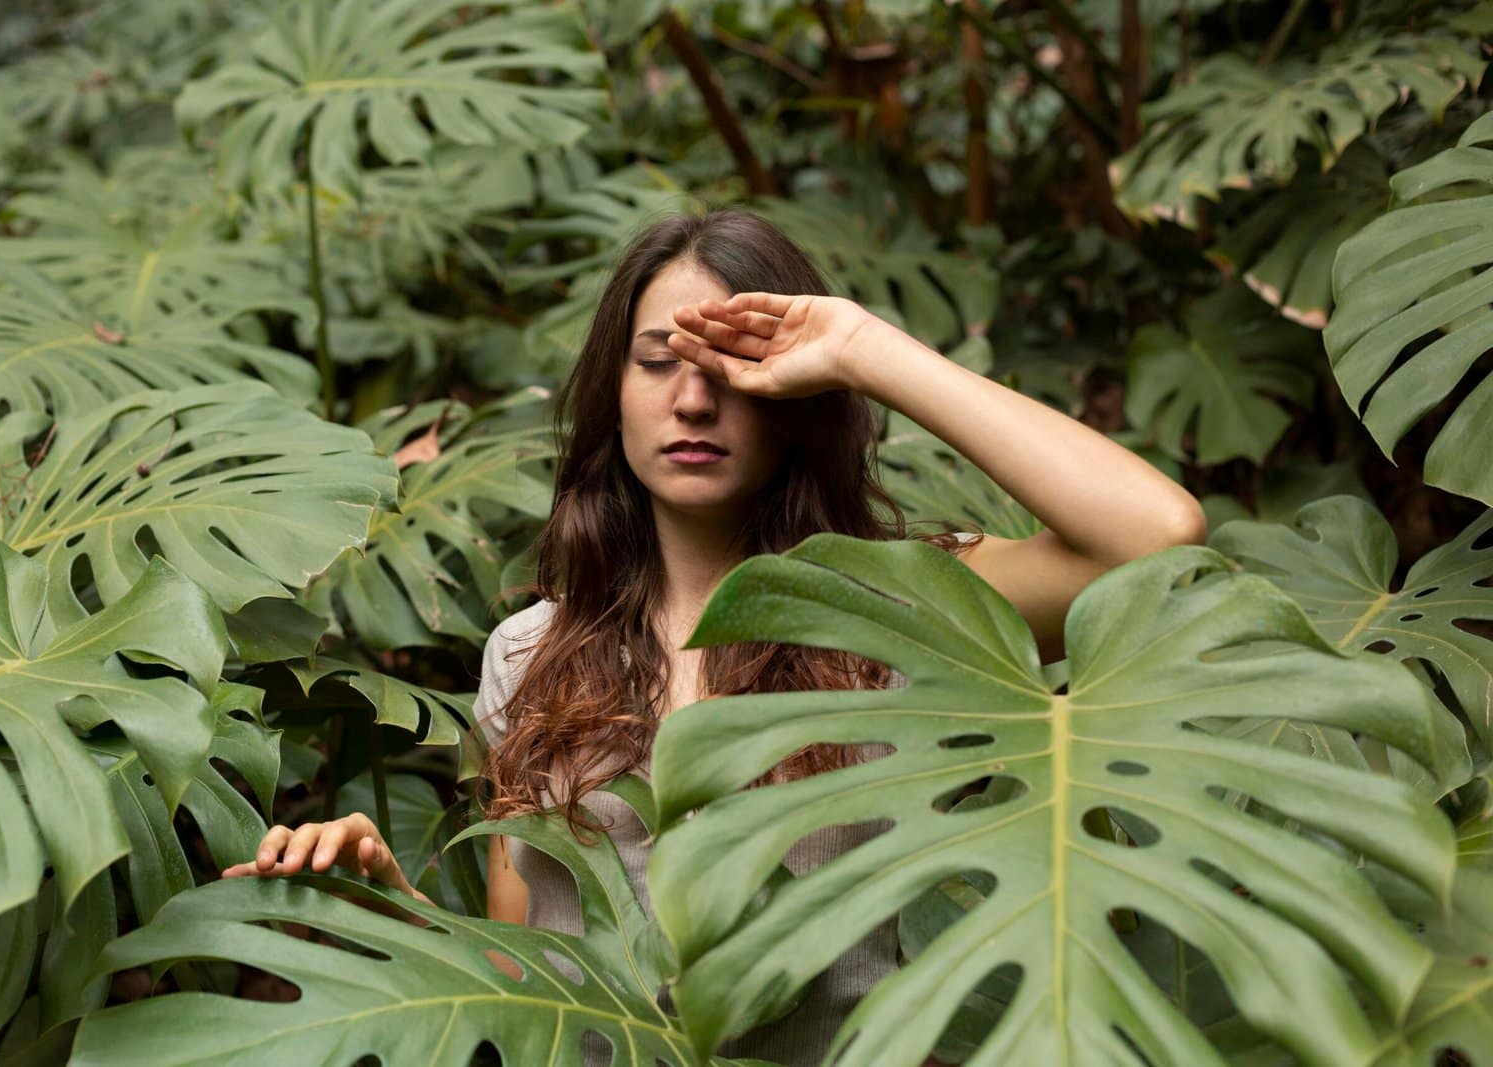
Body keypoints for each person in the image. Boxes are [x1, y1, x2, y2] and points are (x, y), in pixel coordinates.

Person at [224, 208, 1207, 1062]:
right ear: (613, 390)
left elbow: (1151, 537)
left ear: (796, 395)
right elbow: (519, 983)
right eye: (657, 361)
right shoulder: (525, 654)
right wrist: (389, 900)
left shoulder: (890, 611)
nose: (691, 397)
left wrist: (864, 344)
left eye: (732, 365)